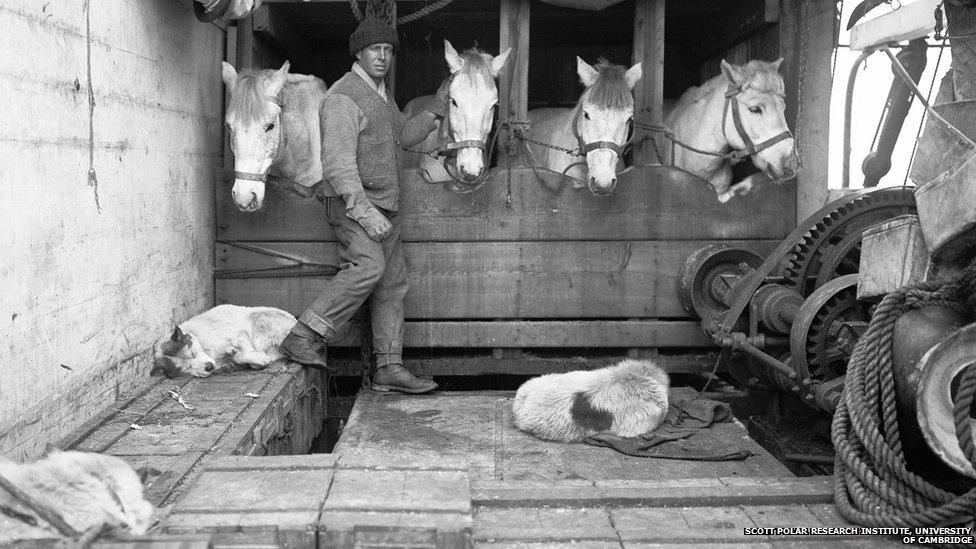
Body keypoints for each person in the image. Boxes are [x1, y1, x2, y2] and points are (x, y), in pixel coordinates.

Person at [280, 17, 446, 394]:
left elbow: (403, 134)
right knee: (368, 267)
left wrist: (436, 110)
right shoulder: (343, 96)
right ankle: (303, 334)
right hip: (356, 205)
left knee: (392, 285)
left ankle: (389, 367)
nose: (383, 57)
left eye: (388, 51)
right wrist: (365, 211)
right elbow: (337, 165)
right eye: (375, 50)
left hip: (384, 205)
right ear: (359, 52)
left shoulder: (380, 94)